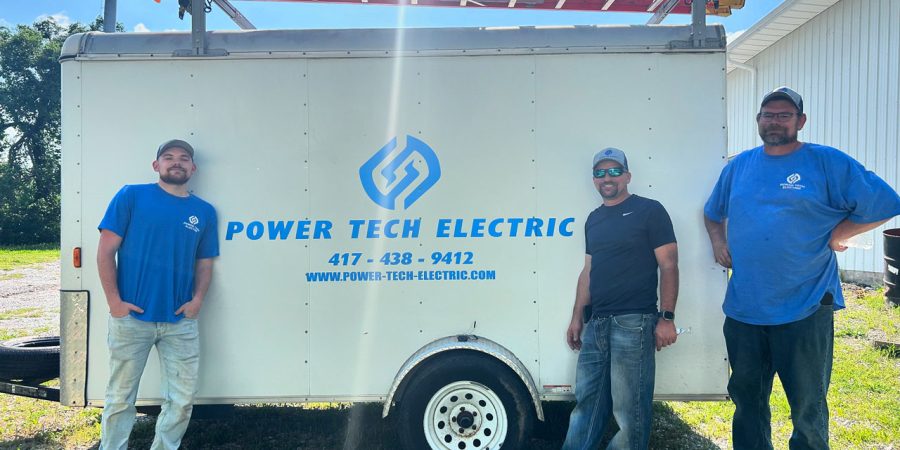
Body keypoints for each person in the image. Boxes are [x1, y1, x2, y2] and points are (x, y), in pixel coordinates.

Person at [704, 87, 900, 450]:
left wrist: (843, 230)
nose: (774, 121)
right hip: (745, 309)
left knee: (807, 409)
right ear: (758, 121)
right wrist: (718, 241)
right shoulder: (740, 166)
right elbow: (713, 212)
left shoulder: (826, 162)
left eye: (784, 115)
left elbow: (886, 202)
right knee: (747, 404)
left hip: (805, 307)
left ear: (801, 121)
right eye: (768, 114)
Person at [97, 139, 219, 450]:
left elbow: (204, 263)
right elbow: (105, 252)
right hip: (131, 320)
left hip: (181, 322)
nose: (176, 162)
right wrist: (115, 303)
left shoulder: (203, 211)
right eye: (168, 157)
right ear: (156, 166)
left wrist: (197, 301)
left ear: (193, 168)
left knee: (181, 401)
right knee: (120, 399)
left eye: (183, 158)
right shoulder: (131, 196)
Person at [563, 147, 679, 450]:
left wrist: (666, 318)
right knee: (586, 406)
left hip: (634, 322)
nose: (607, 177)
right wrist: (577, 317)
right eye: (600, 173)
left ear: (627, 176)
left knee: (630, 412)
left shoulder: (650, 211)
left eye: (615, 171)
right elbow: (588, 271)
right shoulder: (594, 219)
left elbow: (669, 265)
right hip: (597, 323)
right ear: (593, 179)